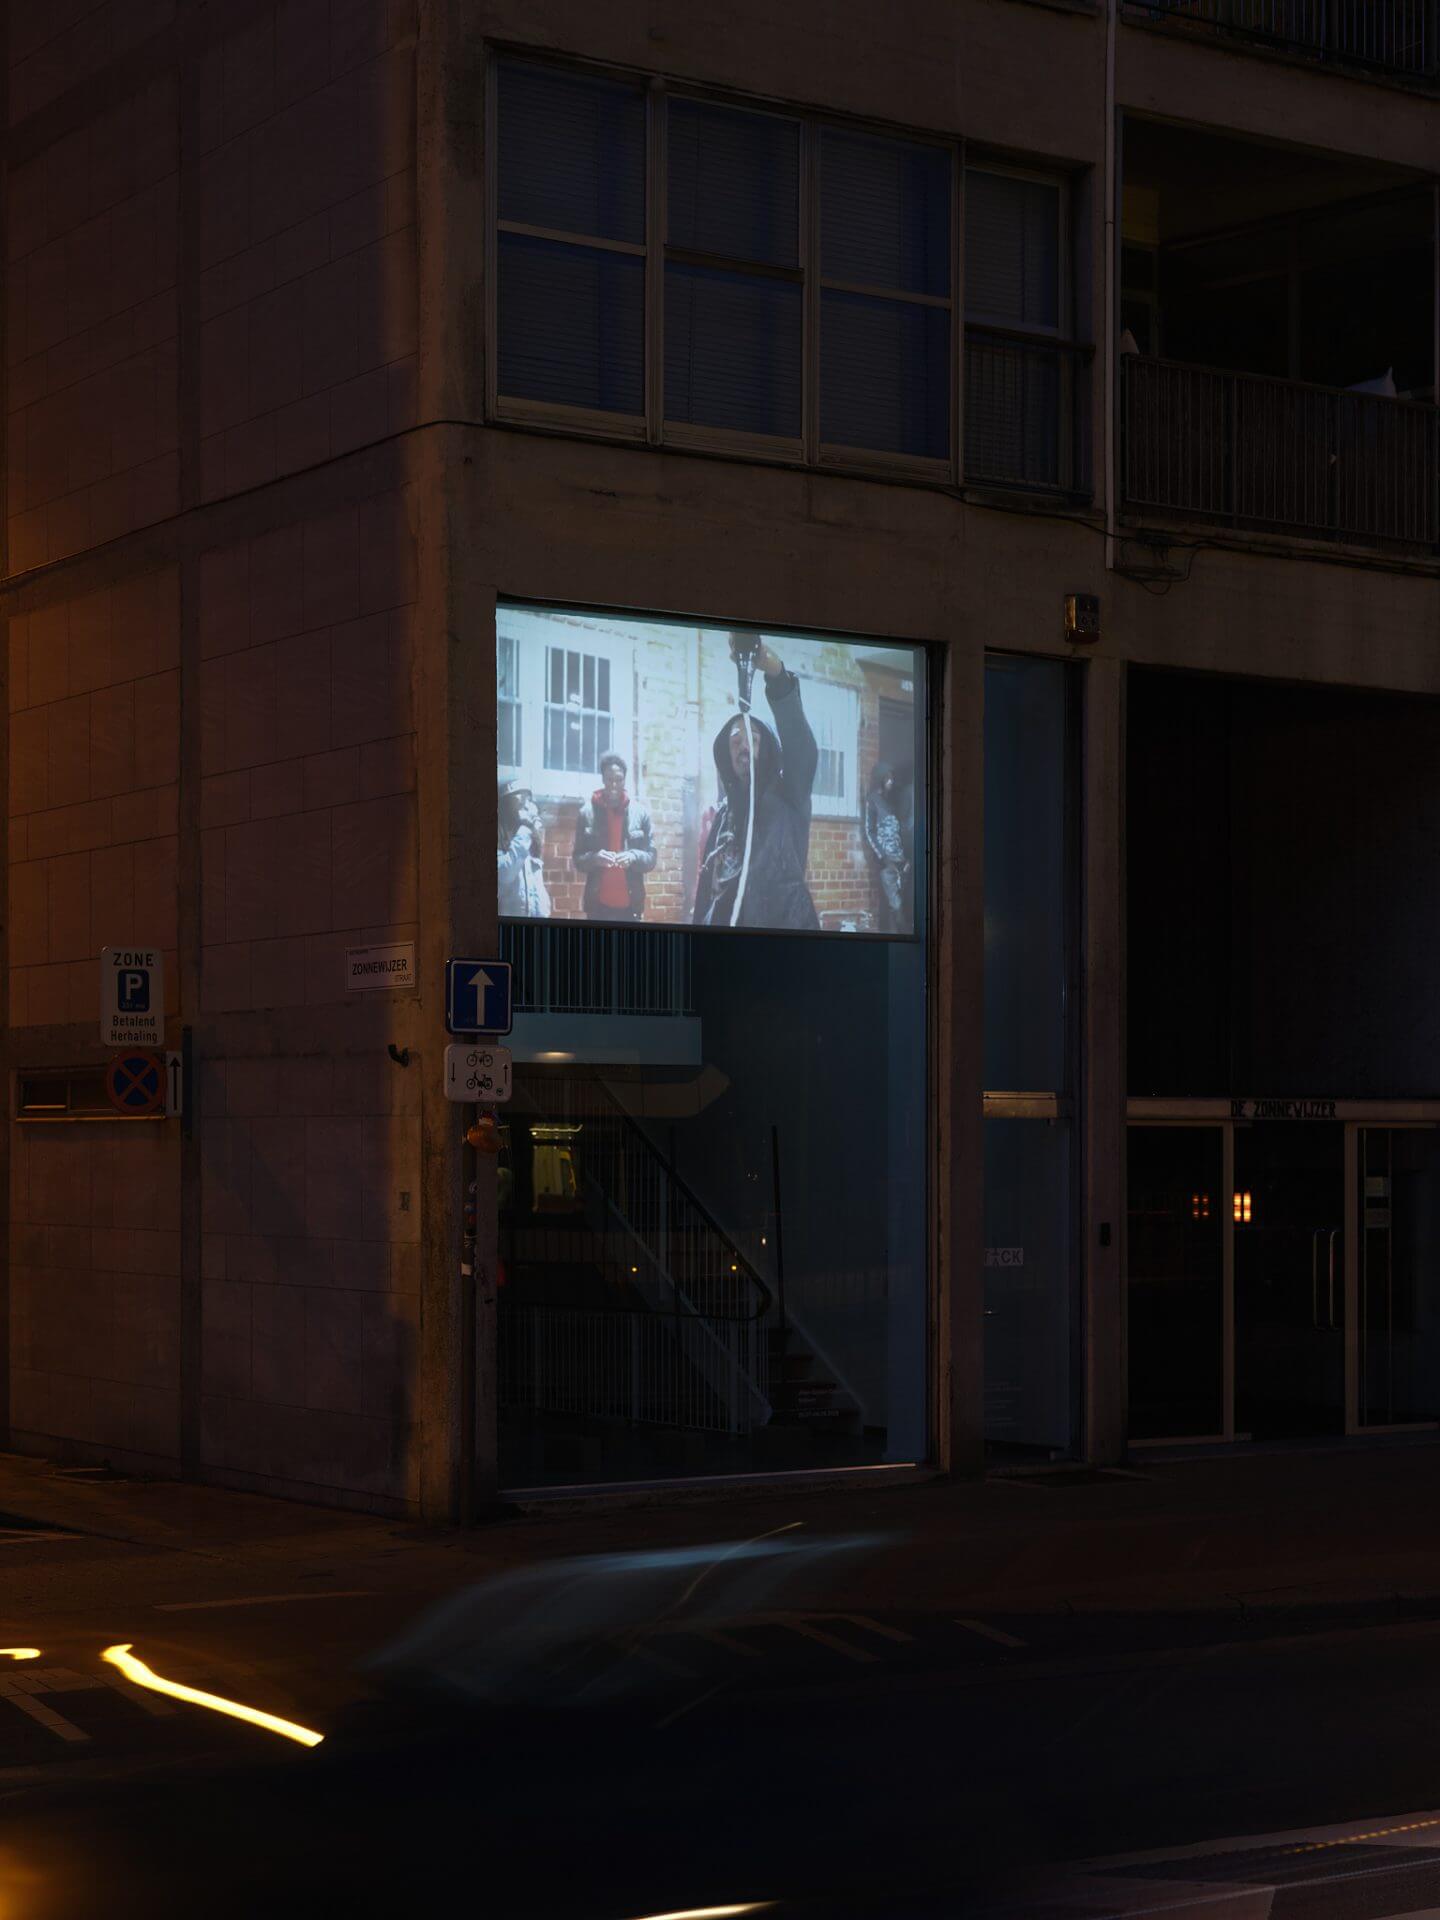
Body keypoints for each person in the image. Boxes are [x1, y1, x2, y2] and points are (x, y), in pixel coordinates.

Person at [693, 638, 820, 931]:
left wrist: (776, 675)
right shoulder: (725, 816)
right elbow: (707, 888)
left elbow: (801, 749)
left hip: (786, 938)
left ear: (767, 751)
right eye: (736, 740)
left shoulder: (790, 796)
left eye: (754, 739)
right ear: (727, 756)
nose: (744, 746)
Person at [572, 752, 657, 923]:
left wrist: (633, 856)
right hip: (597, 907)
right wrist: (595, 858)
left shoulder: (641, 814)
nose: (614, 785)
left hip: (631, 908)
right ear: (603, 779)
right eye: (609, 779)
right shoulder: (586, 813)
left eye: (619, 779)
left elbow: (651, 858)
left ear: (625, 780)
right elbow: (577, 859)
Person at [864, 761, 909, 934]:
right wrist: (882, 857)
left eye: (892, 778)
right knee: (895, 904)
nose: (891, 781)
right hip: (887, 862)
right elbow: (869, 831)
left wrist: (906, 860)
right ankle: (901, 937)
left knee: (898, 906)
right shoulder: (872, 800)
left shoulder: (890, 803)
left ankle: (896, 938)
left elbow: (898, 833)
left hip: (900, 861)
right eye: (888, 778)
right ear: (880, 779)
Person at [497, 776, 551, 919]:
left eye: (528, 798)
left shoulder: (530, 834)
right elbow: (505, 874)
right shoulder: (503, 833)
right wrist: (526, 829)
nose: (527, 805)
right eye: (520, 798)